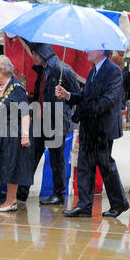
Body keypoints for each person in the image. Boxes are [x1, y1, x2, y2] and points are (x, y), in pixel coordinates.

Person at [55, 50, 129, 218]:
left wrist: (82, 111)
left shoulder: (113, 70)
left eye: (91, 47)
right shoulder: (93, 70)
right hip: (89, 126)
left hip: (103, 128)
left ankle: (119, 203)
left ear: (101, 50)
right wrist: (68, 95)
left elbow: (107, 101)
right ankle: (84, 205)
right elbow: (85, 96)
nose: (86, 51)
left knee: (105, 166)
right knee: (84, 165)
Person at [17, 43, 81, 205]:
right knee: (32, 154)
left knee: (56, 159)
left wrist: (64, 109)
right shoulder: (43, 70)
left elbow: (76, 96)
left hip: (56, 121)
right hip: (40, 119)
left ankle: (58, 194)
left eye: (35, 53)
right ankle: (22, 191)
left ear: (43, 53)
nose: (33, 57)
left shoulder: (62, 70)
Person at [0, 55, 33, 212]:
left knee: (11, 165)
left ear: (2, 71)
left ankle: (11, 200)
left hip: (12, 133)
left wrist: (24, 135)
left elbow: (25, 113)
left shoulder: (17, 88)